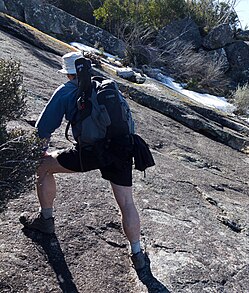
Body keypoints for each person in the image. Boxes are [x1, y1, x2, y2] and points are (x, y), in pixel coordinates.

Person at [20, 51, 153, 284]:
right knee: (127, 203)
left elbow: (43, 129)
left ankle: (46, 220)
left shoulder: (65, 91)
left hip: (90, 154)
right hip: (122, 149)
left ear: (69, 72)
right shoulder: (106, 85)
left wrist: (40, 152)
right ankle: (138, 254)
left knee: (43, 167)